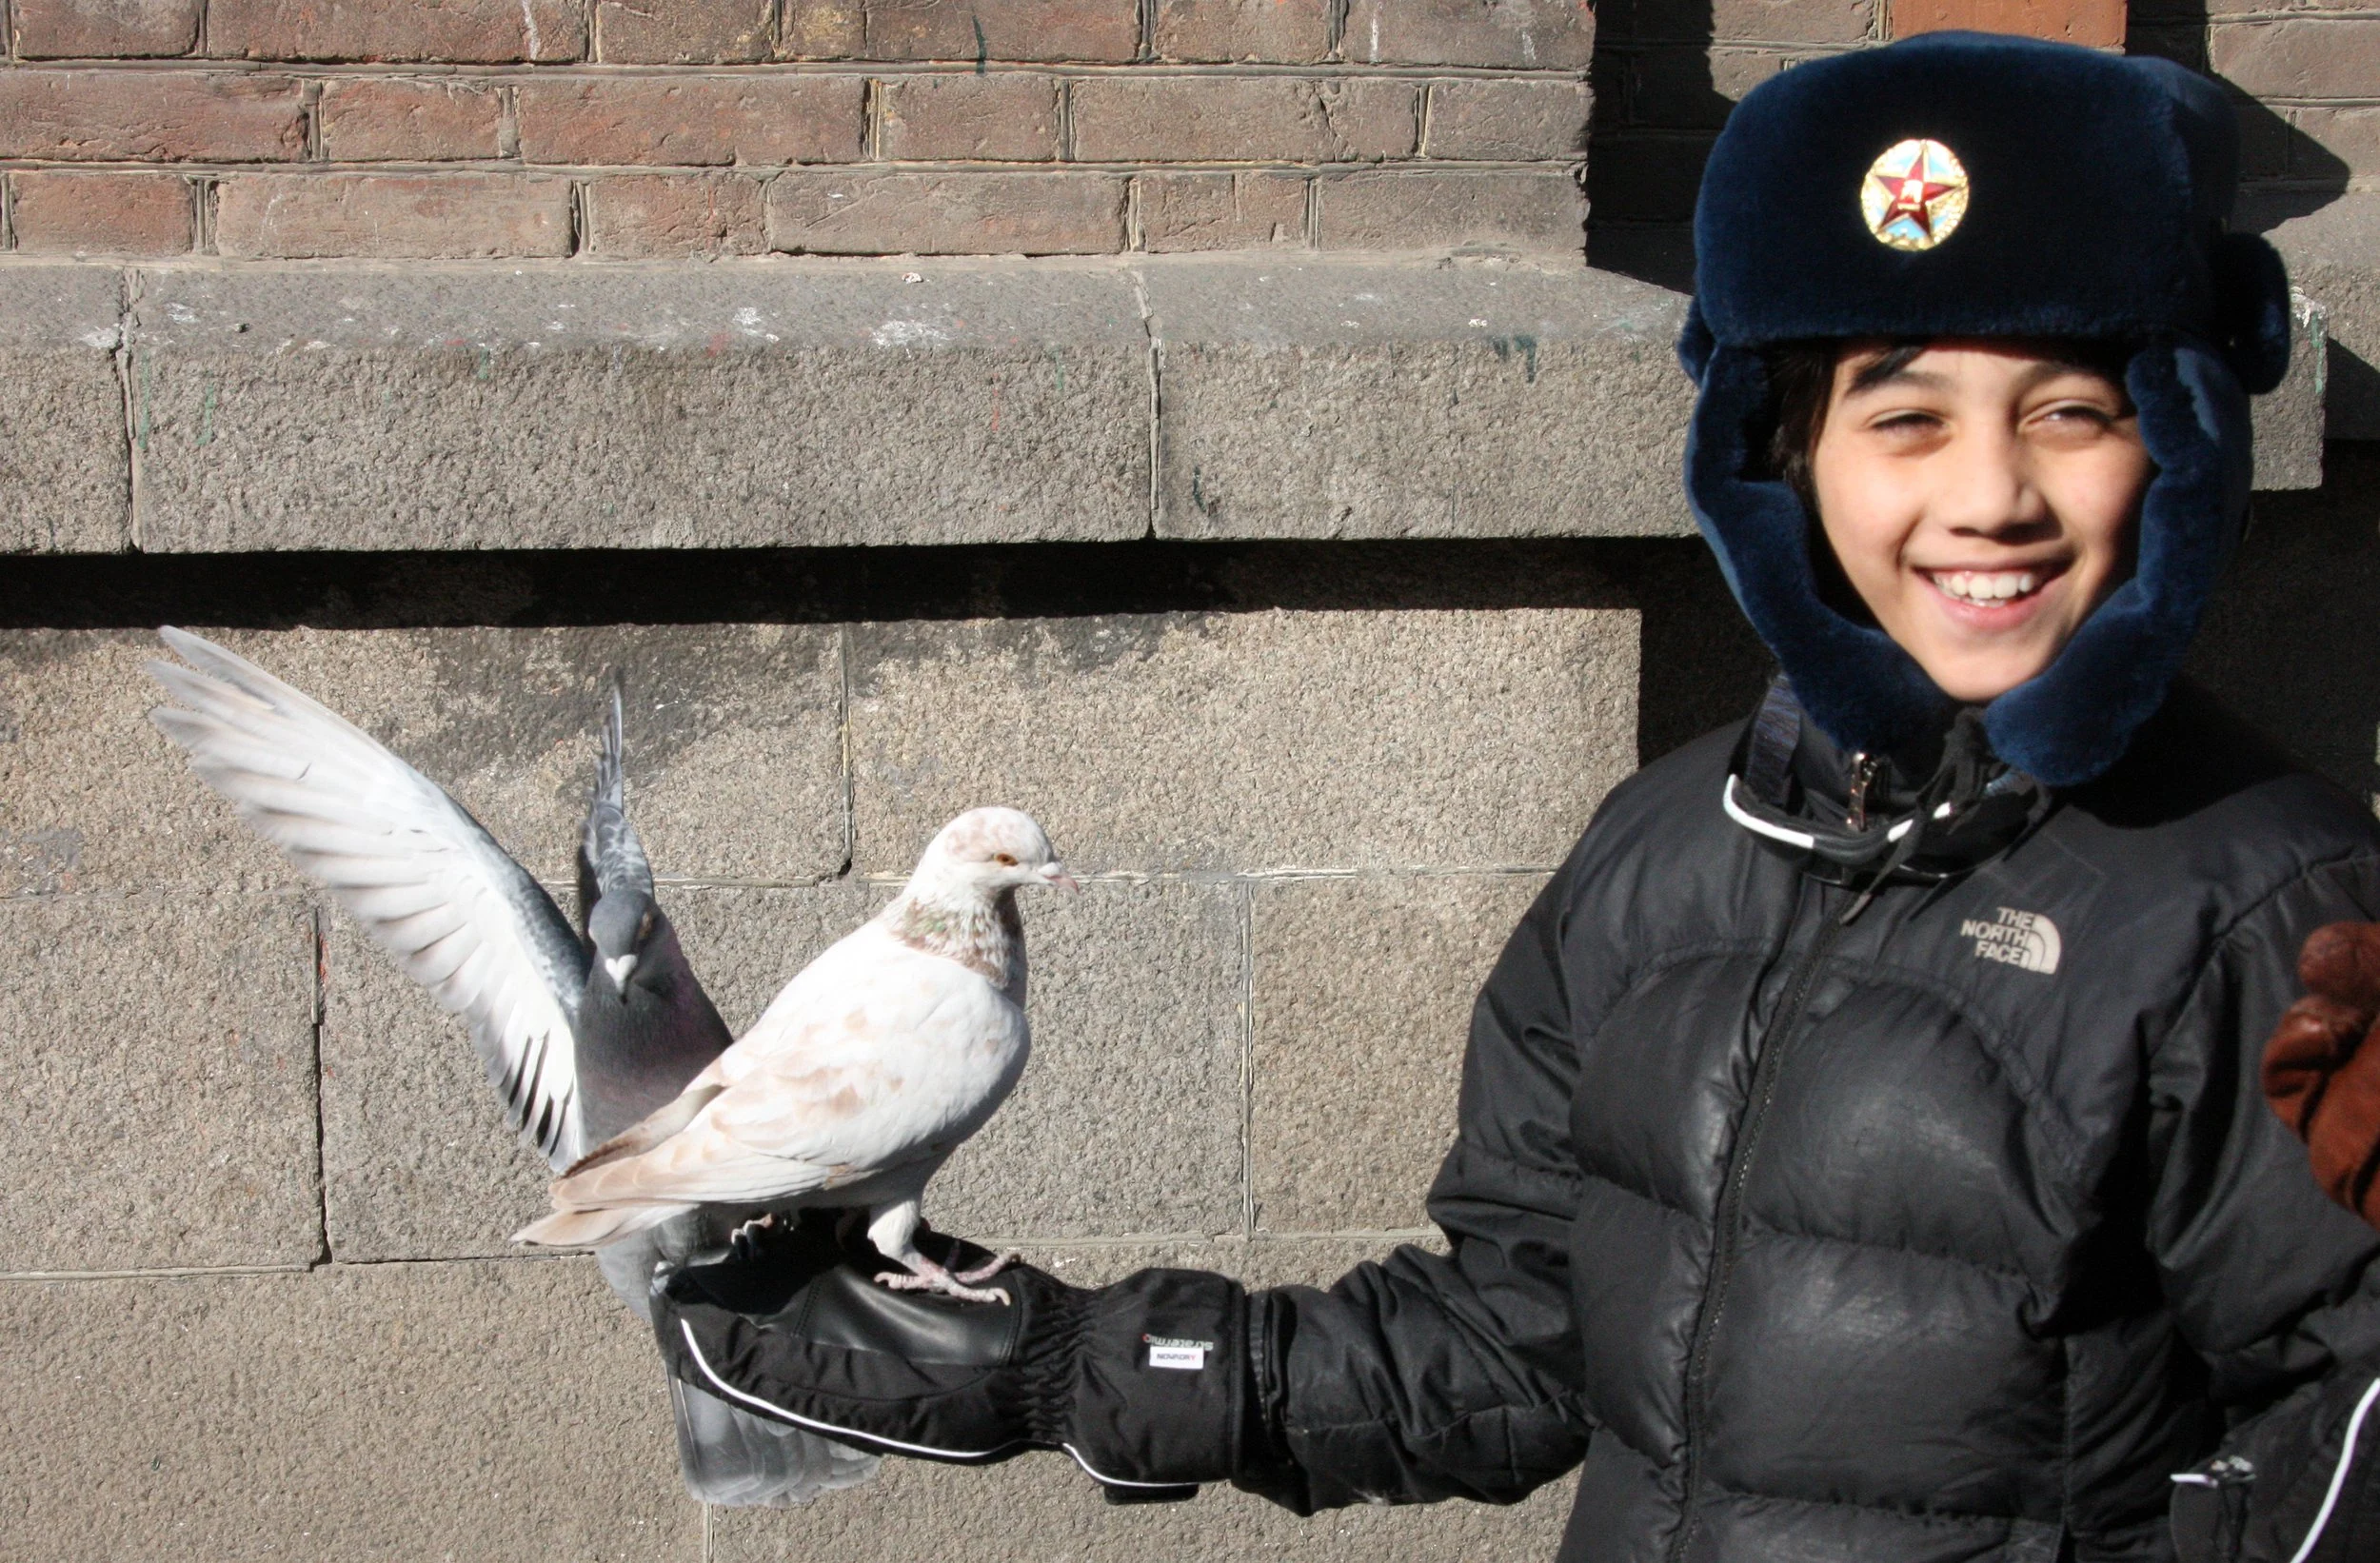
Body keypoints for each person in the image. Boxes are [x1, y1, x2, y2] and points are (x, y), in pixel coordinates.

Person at [644, 33, 2380, 1562]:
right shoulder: (1670, 850)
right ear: (1793, 454)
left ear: (2176, 437)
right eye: (1905, 419)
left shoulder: (2277, 906)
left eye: (2069, 410)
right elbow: (1520, 1334)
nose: (1988, 495)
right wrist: (1077, 1366)